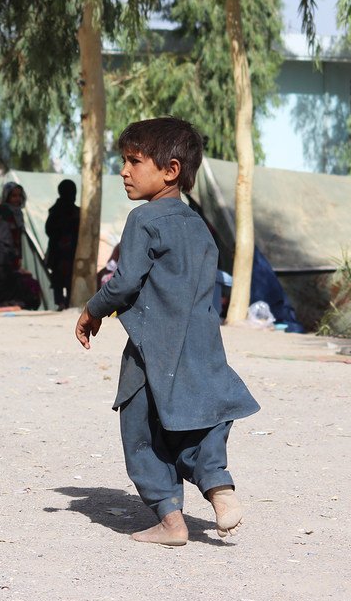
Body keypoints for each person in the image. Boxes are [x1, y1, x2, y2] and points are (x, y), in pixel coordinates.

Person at [75, 117, 260, 546]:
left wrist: (92, 310)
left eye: (134, 161)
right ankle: (219, 486)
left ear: (171, 170)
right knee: (199, 418)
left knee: (140, 427)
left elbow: (125, 282)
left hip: (151, 346)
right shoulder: (199, 226)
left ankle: (171, 521)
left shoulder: (144, 219)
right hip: (201, 344)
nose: (124, 171)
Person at [45, 179, 80, 309]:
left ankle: (65, 302)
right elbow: (50, 230)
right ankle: (61, 302)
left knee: (66, 278)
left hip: (68, 252)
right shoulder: (57, 211)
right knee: (60, 279)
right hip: (60, 253)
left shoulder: (73, 211)